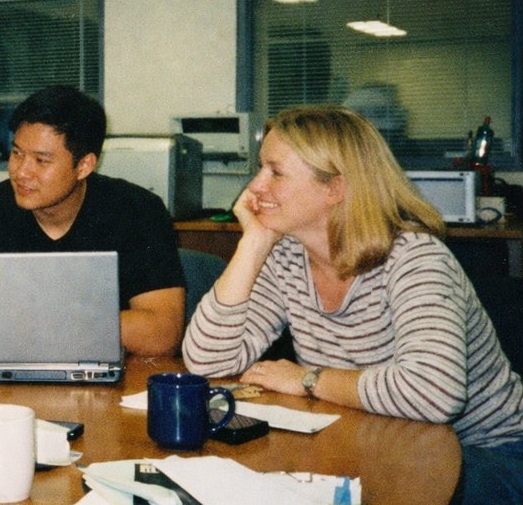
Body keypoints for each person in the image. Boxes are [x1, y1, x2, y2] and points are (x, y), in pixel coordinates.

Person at [182, 105, 523, 502]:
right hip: (379, 439)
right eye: (260, 169)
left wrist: (309, 380)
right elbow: (207, 361)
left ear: (335, 188)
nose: (254, 187)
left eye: (275, 172)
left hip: (485, 453)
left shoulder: (414, 258)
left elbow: (434, 393)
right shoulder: (287, 255)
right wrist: (253, 245)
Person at [0, 86, 186, 356]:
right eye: (17, 153)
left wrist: (51, 321)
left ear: (84, 166)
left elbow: (162, 334)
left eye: (41, 160)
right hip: (11, 364)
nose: (21, 172)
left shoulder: (138, 211)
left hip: (106, 370)